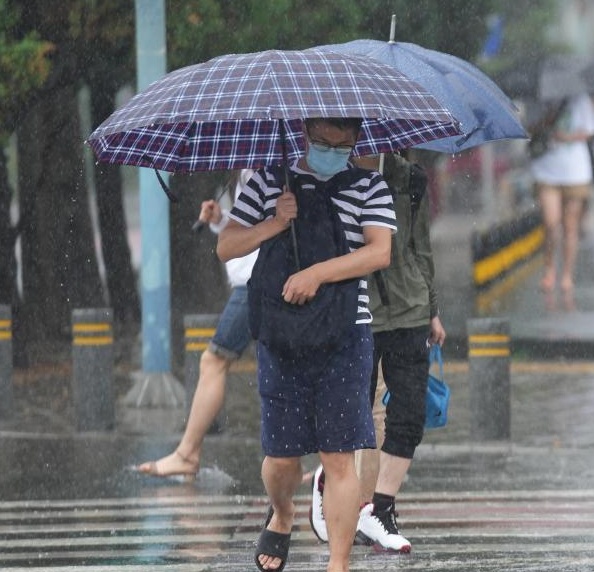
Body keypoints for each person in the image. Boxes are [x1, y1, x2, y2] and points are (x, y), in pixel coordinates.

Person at [217, 117, 394, 572]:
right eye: (321, 142)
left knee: (338, 455)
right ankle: (282, 511)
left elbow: (379, 252)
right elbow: (227, 246)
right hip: (282, 334)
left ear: (357, 139)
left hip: (345, 334)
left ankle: (338, 565)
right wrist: (275, 223)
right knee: (281, 459)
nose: (331, 151)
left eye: (341, 144)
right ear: (303, 132)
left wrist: (317, 273)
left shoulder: (370, 186)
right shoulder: (268, 180)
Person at [308, 150, 447, 553]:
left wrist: (432, 309)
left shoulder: (410, 179)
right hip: (356, 312)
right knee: (353, 414)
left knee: (409, 416)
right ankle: (329, 480)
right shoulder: (328, 177)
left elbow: (421, 249)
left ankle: (381, 508)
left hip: (409, 309)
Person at [135, 171, 257, 479]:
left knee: (215, 359)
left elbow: (266, 228)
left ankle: (188, 453)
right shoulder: (249, 169)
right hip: (253, 280)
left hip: (257, 283)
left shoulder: (267, 168)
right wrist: (221, 219)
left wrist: (227, 224)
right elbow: (255, 225)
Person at [528, 91, 594, 294]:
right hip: (546, 169)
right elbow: (528, 128)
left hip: (575, 171)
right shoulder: (539, 99)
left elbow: (591, 130)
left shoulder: (581, 99)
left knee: (570, 226)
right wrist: (546, 120)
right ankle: (550, 267)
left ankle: (567, 274)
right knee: (551, 223)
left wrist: (567, 136)